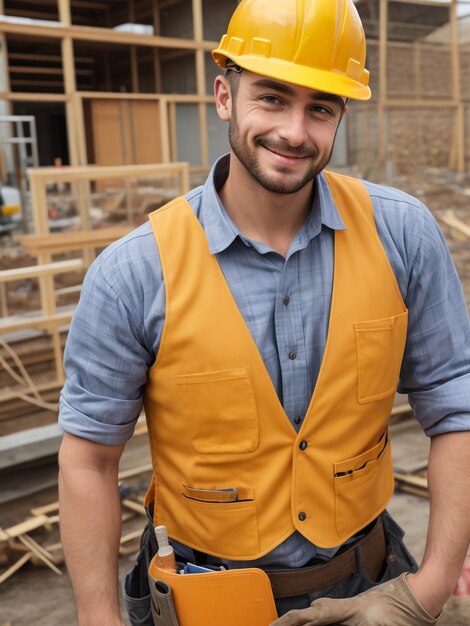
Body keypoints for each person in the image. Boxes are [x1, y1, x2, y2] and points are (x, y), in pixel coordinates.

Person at [57, 0, 470, 624]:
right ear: (225, 95)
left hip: (371, 582)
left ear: (341, 117)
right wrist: (98, 618)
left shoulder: (402, 234)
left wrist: (427, 589)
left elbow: (455, 402)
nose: (296, 132)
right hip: (204, 600)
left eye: (321, 108)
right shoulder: (134, 273)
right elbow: (89, 457)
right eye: (272, 98)